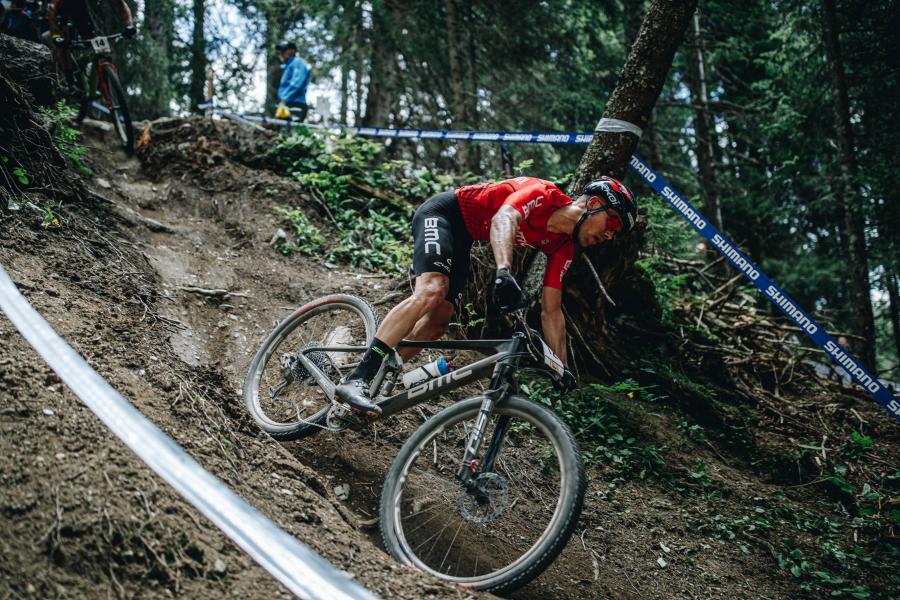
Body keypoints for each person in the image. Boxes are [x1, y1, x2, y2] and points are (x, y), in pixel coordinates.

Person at [335, 175, 638, 416]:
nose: (611, 234)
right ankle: (358, 378)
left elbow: (552, 310)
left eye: (617, 232)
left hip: (465, 237)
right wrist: (504, 270)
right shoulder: (542, 193)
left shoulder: (562, 247)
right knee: (432, 290)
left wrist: (562, 366)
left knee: (439, 322)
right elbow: (503, 218)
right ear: (594, 203)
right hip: (443, 214)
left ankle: (373, 377)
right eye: (612, 222)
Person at [46, 0, 135, 85]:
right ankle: (69, 80)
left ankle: (95, 73)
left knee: (91, 40)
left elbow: (122, 4)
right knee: (63, 40)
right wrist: (56, 36)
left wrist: (129, 25)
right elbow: (52, 8)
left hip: (81, 10)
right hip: (63, 10)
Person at [275, 40, 310, 123]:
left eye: (284, 50)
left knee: (293, 132)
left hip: (295, 103)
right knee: (282, 132)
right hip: (285, 104)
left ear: (292, 51)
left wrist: (284, 99)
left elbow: (296, 83)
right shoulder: (288, 66)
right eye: (280, 51)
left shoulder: (298, 63)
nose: (281, 53)